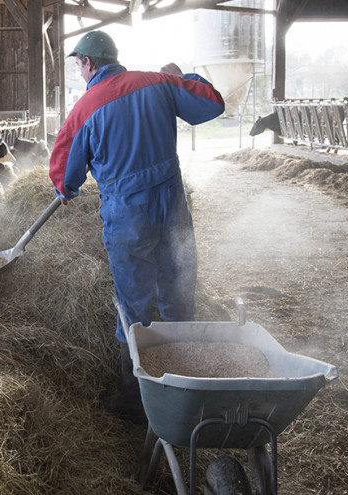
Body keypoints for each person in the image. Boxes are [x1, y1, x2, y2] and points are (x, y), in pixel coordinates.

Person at [49, 30, 225, 422]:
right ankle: (187, 384)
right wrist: (182, 74)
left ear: (89, 63)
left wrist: (67, 189)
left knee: (134, 308)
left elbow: (63, 176)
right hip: (172, 210)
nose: (80, 72)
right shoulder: (158, 82)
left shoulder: (86, 109)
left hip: (128, 218)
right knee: (179, 296)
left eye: (78, 64)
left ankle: (135, 397)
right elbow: (212, 104)